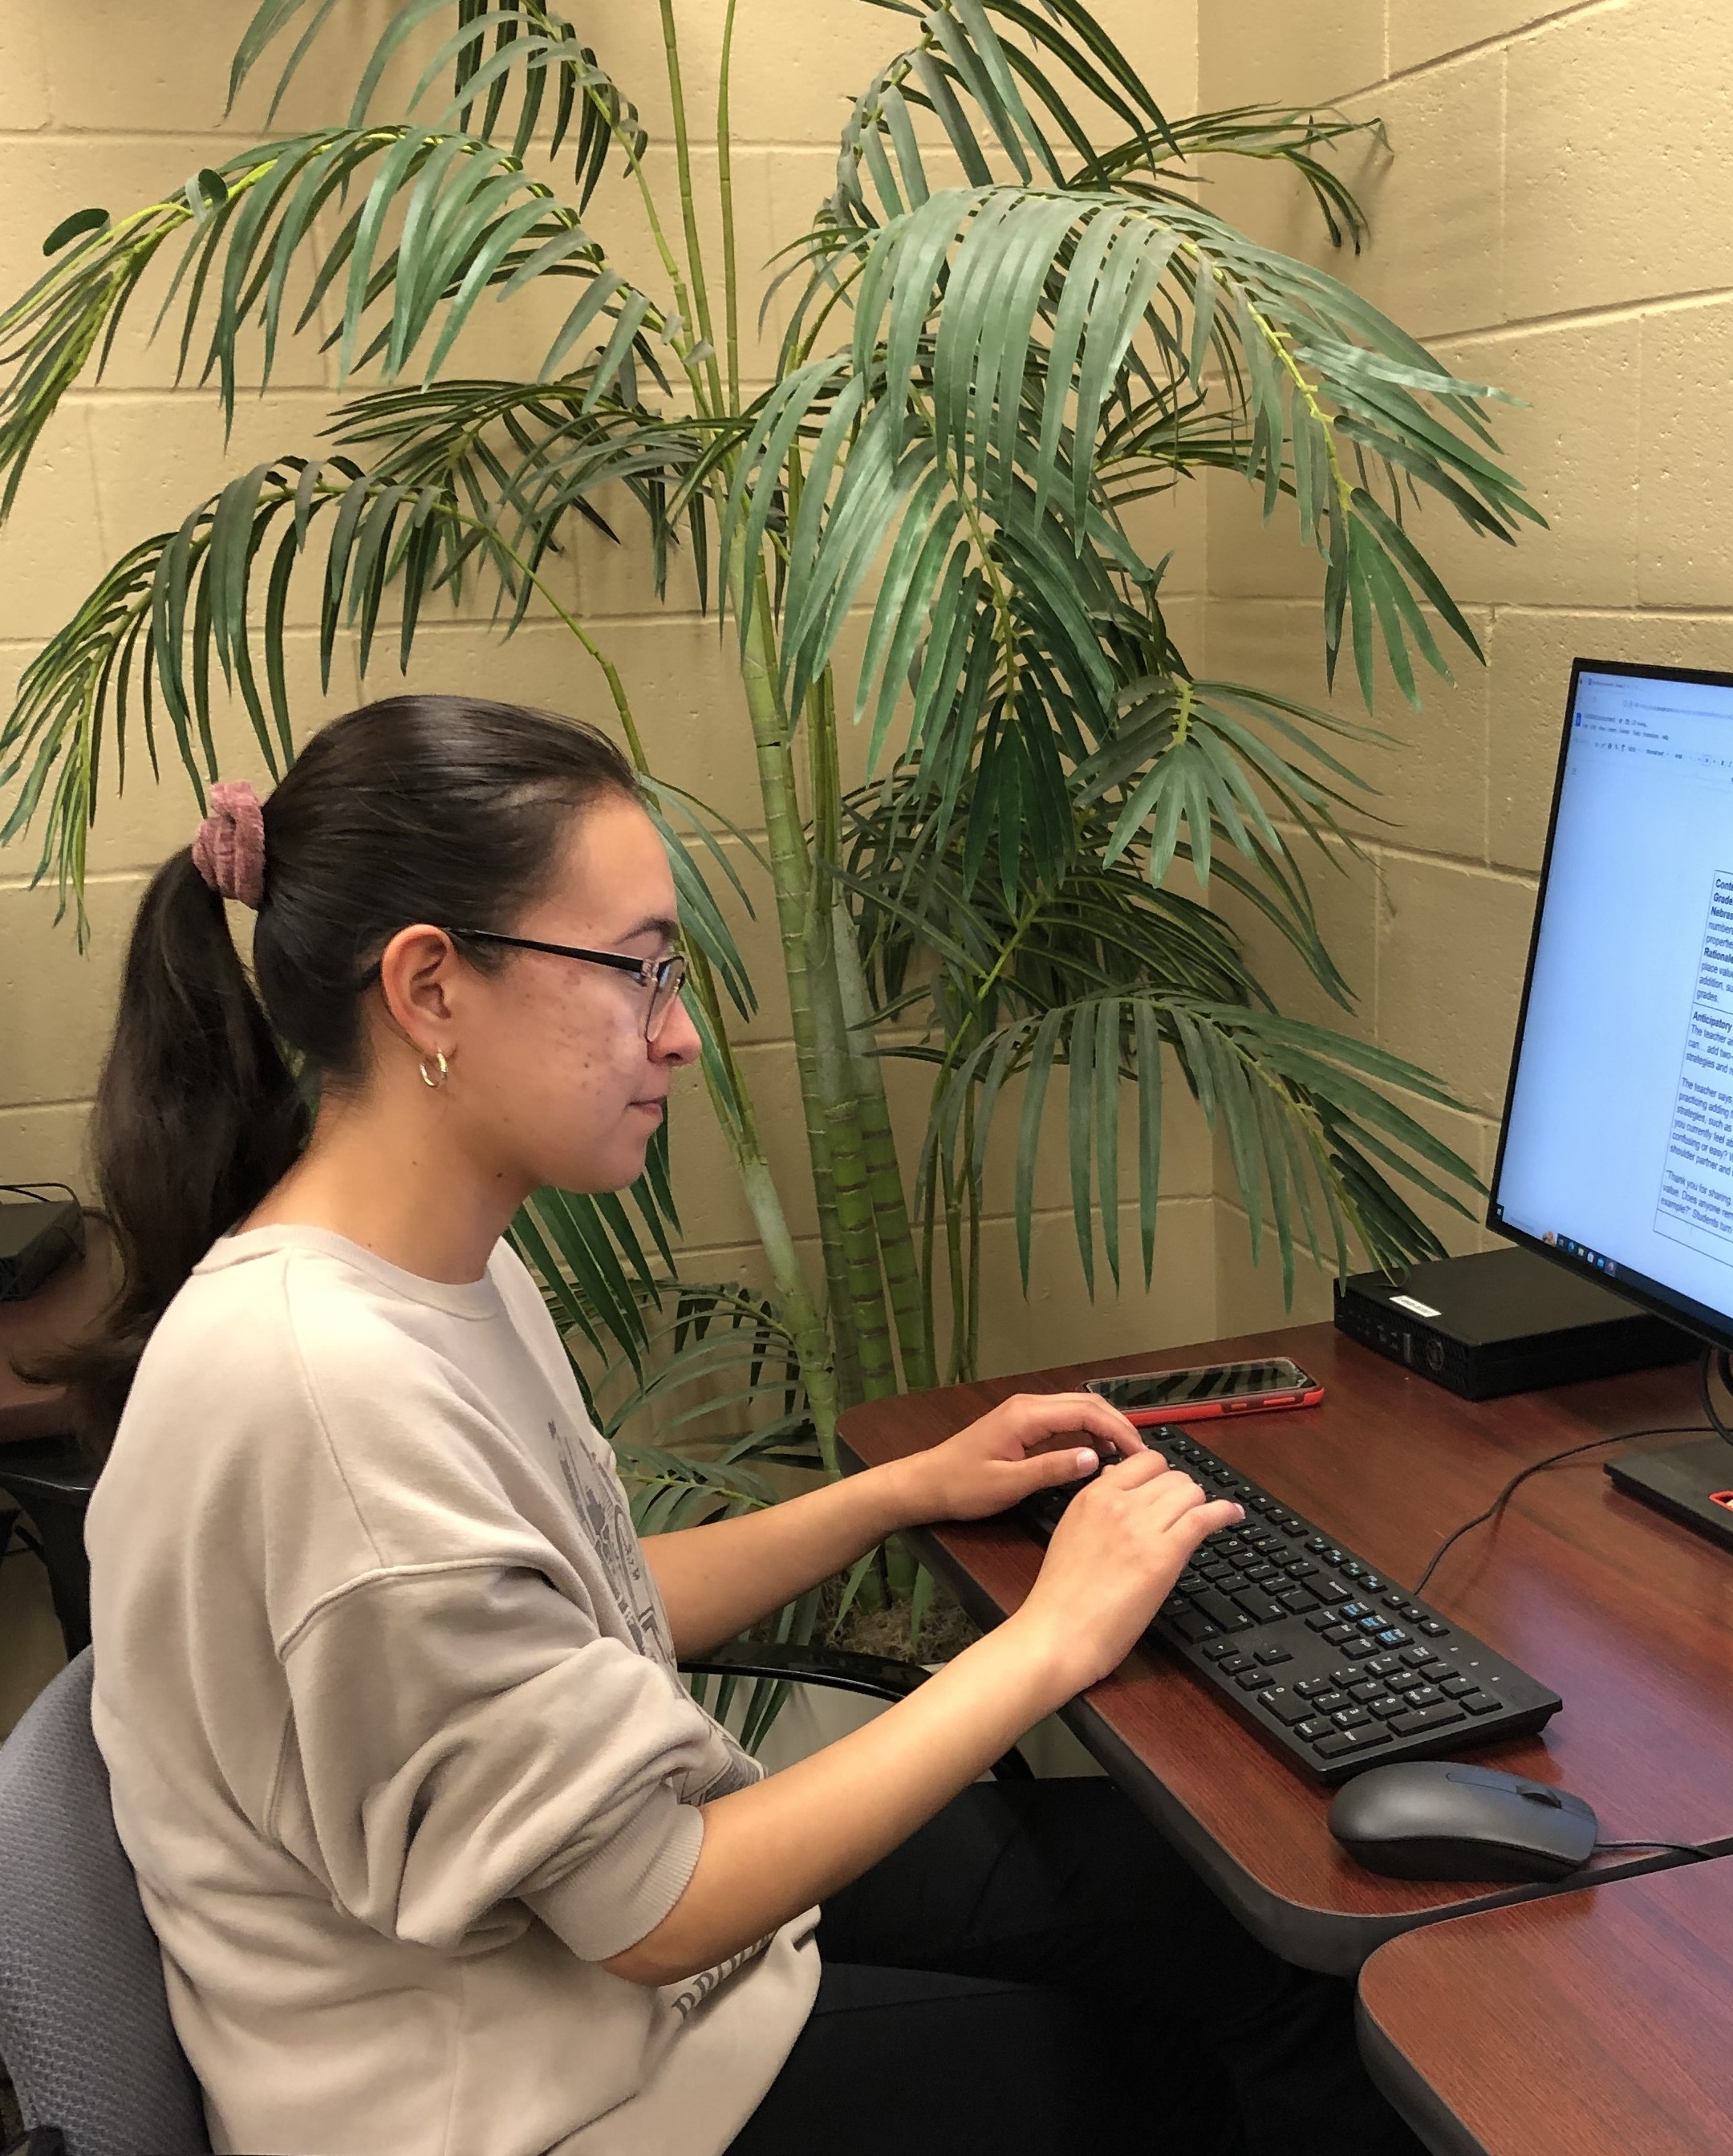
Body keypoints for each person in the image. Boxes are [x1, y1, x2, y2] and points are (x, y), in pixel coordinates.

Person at [68, 694, 1419, 2156]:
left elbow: (575, 1608)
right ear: (430, 989)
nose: (683, 1035)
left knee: (1213, 1926)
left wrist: (900, 1491)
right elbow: (652, 1910)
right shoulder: (324, 1401)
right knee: (1160, 2057)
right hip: (540, 2089)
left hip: (579, 1956)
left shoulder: (431, 1270)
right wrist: (1051, 1638)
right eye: (635, 973)